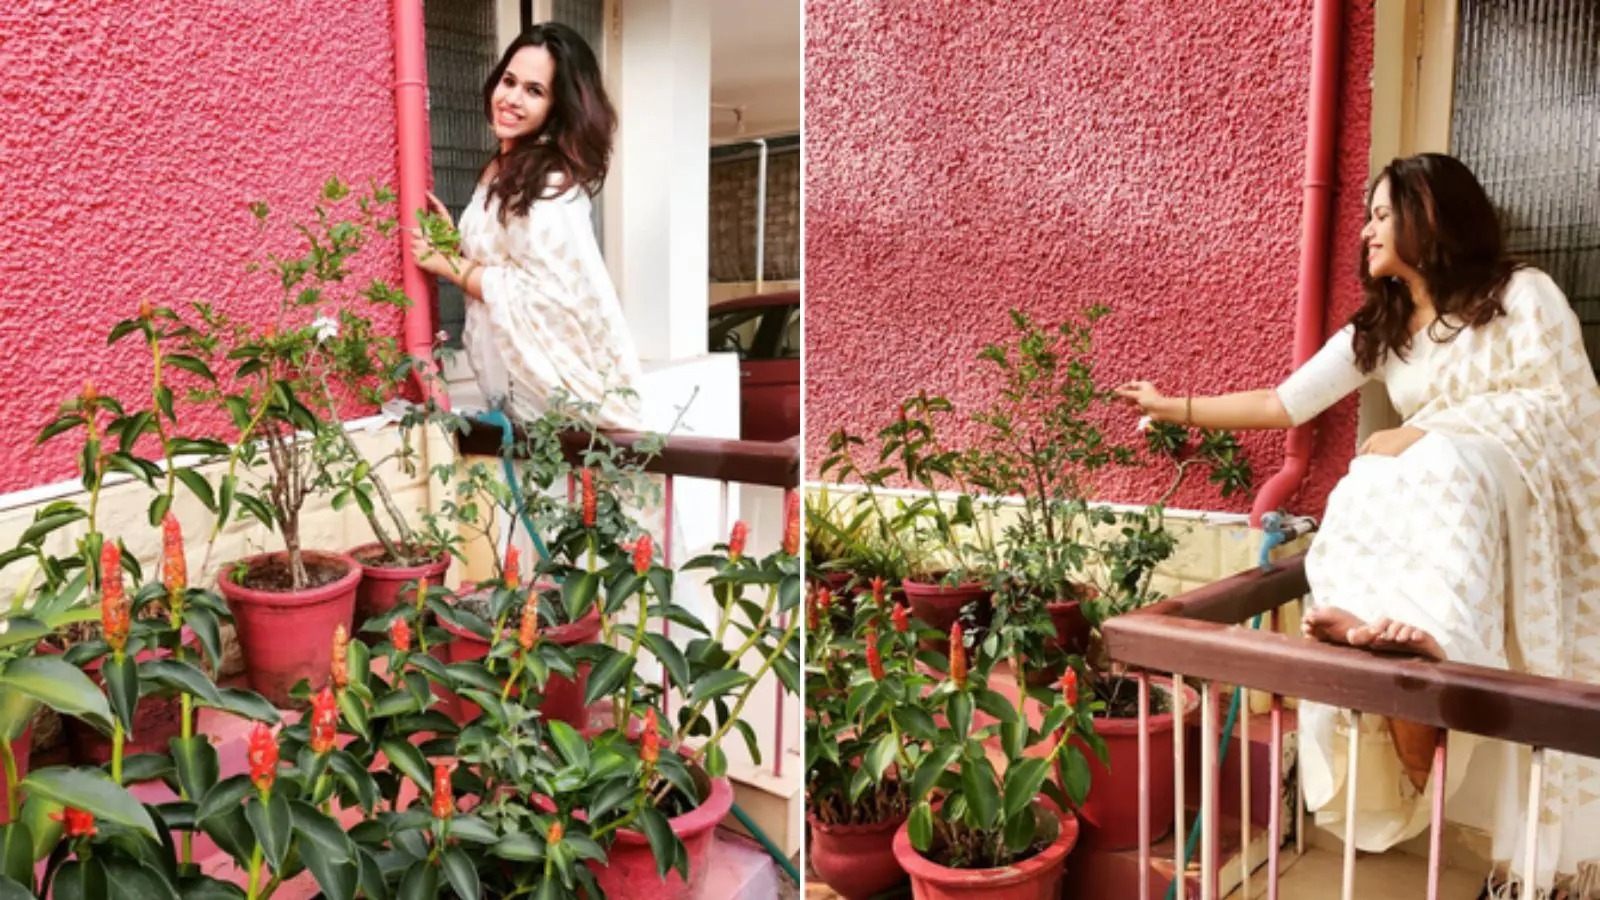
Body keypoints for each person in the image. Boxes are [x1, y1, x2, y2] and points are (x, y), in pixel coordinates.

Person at [1116, 153, 1600, 897]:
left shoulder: (1520, 295)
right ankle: (1397, 647)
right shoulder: (1384, 327)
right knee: (1363, 479)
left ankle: (1434, 643)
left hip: (1514, 502)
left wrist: (1435, 429)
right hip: (1455, 516)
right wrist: (1172, 406)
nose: (1367, 231)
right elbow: (1283, 403)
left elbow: (1565, 410)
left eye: (1381, 214)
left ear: (1429, 214)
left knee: (1430, 460)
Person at [410, 23, 643, 431]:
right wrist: (455, 248)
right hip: (507, 399)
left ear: (558, 107)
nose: (512, 99)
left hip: (550, 409)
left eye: (534, 91)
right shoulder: (501, 169)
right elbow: (510, 264)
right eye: (509, 81)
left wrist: (447, 265)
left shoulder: (549, 184)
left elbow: (546, 295)